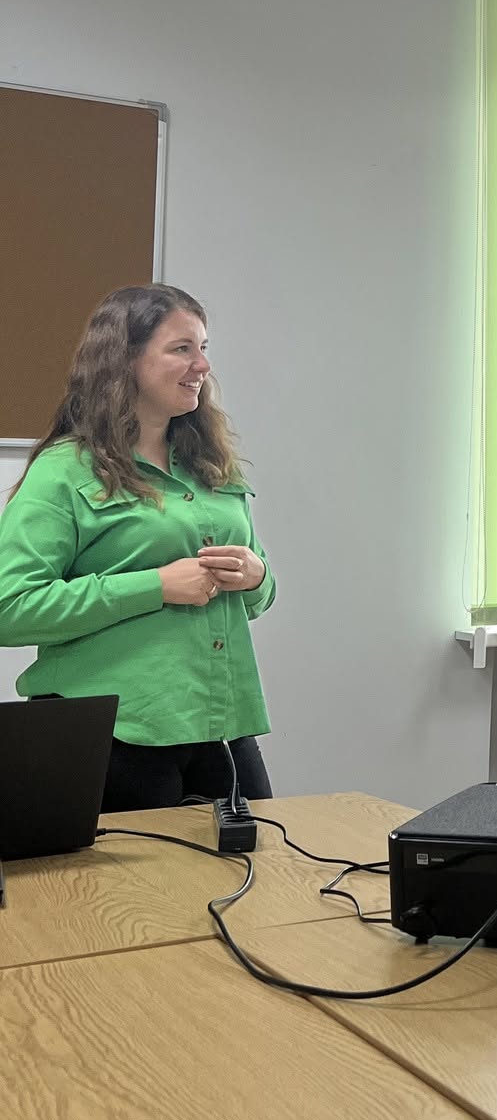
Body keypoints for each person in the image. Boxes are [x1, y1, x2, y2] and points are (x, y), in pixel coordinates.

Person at [0, 284, 276, 811]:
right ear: (125, 359)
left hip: (220, 726)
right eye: (182, 349)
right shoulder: (64, 471)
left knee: (263, 859)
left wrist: (256, 576)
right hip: (111, 737)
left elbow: (259, 597)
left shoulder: (211, 465)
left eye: (203, 348)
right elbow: (8, 609)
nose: (202, 366)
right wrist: (156, 586)